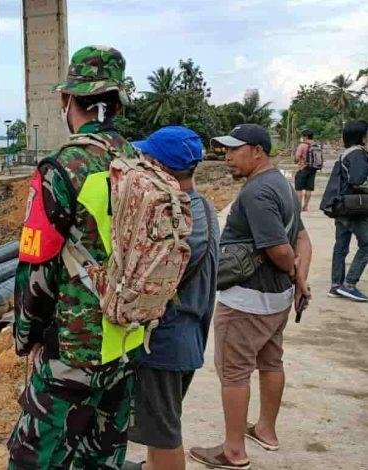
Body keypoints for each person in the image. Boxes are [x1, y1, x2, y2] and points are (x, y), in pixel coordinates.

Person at [7, 45, 140, 469]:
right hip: (126, 341)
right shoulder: (137, 161)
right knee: (102, 457)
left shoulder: (62, 168)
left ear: (68, 101)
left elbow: (36, 267)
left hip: (73, 347)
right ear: (116, 102)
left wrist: (25, 336)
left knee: (35, 457)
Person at [189, 124, 312, 470]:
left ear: (257, 150)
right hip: (276, 300)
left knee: (234, 372)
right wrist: (299, 280)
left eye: (233, 150)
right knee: (271, 361)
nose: (226, 157)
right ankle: (266, 431)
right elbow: (303, 237)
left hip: (247, 301)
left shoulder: (256, 192)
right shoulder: (281, 184)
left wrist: (292, 269)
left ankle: (232, 451)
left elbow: (280, 248)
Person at [124, 126, 219, 470]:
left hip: (164, 344)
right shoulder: (204, 207)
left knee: (165, 434)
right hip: (186, 337)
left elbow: (144, 284)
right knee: (158, 427)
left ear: (158, 167)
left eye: (147, 160)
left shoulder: (174, 220)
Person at [320, 119, 368, 302]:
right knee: (367, 244)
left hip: (341, 207)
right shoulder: (358, 154)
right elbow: (358, 180)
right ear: (362, 137)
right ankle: (349, 284)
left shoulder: (347, 153)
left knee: (341, 247)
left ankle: (336, 286)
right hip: (354, 208)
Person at [293, 130, 318, 211]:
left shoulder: (302, 145)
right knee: (308, 188)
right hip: (313, 169)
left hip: (303, 168)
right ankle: (305, 206)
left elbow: (297, 157)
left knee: (299, 188)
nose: (302, 138)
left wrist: (296, 160)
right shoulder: (316, 145)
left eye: (303, 136)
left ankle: (299, 207)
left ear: (306, 136)